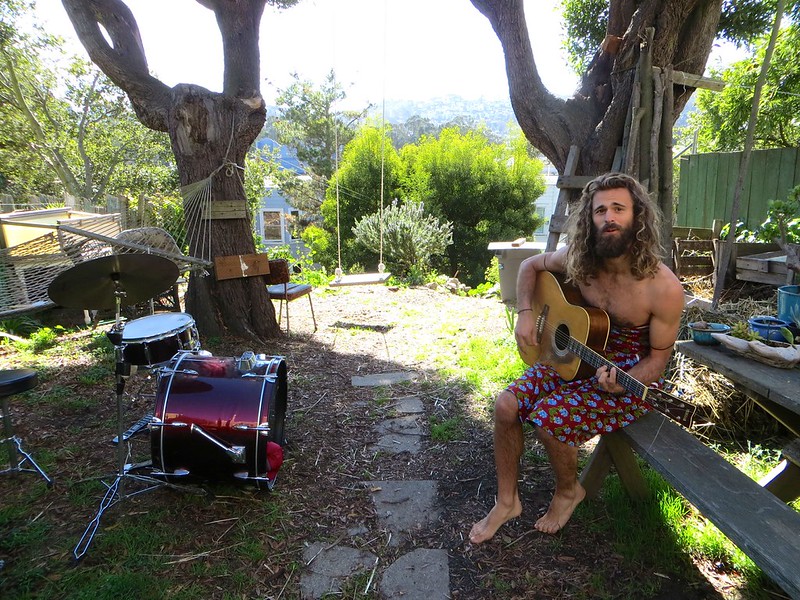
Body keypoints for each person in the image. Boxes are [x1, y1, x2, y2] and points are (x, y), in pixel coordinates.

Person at [469, 172, 685, 543]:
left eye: (618, 208)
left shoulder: (662, 287)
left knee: (549, 419)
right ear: (590, 219)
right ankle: (506, 501)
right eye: (600, 210)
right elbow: (530, 266)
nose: (609, 217)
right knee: (506, 405)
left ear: (638, 217)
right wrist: (525, 314)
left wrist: (625, 383)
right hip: (575, 354)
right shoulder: (581, 260)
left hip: (627, 375)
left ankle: (569, 491)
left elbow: (657, 361)